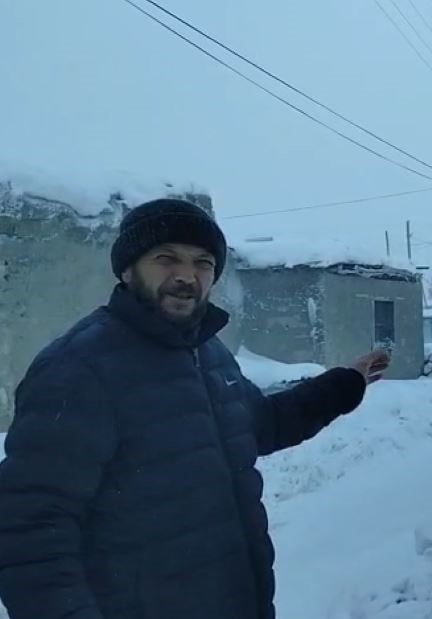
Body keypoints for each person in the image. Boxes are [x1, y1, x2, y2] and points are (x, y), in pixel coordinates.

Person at [0, 198, 390, 619]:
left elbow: (258, 425)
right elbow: (31, 531)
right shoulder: (79, 368)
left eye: (203, 262)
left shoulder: (207, 352)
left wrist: (344, 383)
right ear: (128, 269)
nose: (186, 276)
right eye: (166, 257)